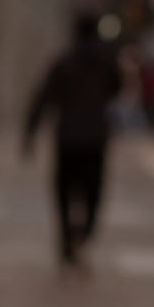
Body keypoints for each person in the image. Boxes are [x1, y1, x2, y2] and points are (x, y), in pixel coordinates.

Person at [22, 14, 124, 264]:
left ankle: (67, 237)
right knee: (93, 192)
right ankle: (85, 232)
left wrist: (30, 134)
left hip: (67, 137)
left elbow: (43, 97)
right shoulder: (106, 62)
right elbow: (118, 87)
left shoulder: (63, 62)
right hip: (95, 138)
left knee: (63, 191)